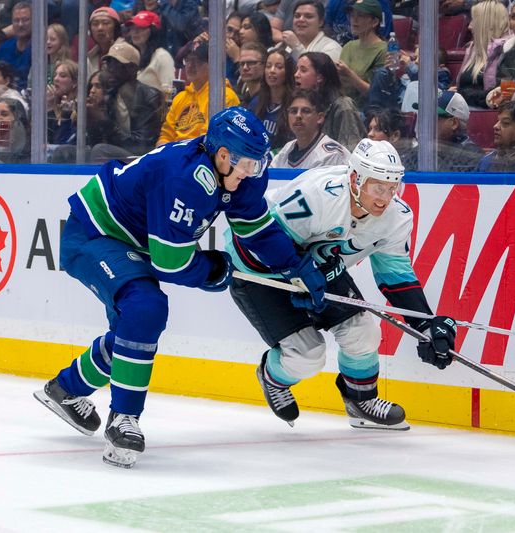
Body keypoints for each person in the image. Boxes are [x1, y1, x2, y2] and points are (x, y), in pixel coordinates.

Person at [34, 106, 327, 468]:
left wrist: (295, 267)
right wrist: (212, 269)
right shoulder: (186, 178)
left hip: (132, 241)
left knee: (133, 331)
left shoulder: (238, 176)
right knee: (145, 308)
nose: (254, 172)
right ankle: (123, 419)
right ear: (223, 155)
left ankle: (66, 388)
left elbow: (256, 230)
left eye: (258, 163)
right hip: (95, 233)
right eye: (248, 163)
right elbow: (171, 262)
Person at [227, 138, 457, 430]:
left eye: (391, 187)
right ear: (354, 179)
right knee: (307, 355)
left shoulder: (396, 218)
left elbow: (395, 276)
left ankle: (360, 401)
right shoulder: (316, 196)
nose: (385, 198)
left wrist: (425, 325)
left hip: (318, 269)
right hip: (258, 270)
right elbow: (261, 238)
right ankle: (271, 377)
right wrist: (298, 273)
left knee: (363, 332)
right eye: (377, 187)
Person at [88, 41, 162, 161]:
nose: (111, 68)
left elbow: (142, 146)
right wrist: (90, 122)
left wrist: (104, 122)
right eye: (109, 63)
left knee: (100, 151)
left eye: (118, 64)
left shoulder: (149, 96)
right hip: (116, 152)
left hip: (142, 159)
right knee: (68, 151)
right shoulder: (110, 95)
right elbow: (95, 142)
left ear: (132, 69)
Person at [157, 40, 240, 146]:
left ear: (212, 65)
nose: (190, 66)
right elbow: (166, 135)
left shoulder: (223, 96)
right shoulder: (180, 98)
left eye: (197, 61)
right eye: (187, 60)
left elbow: (209, 140)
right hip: (177, 156)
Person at [295, 51, 366, 152]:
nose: (296, 75)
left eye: (303, 70)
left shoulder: (343, 106)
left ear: (319, 77)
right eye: (296, 69)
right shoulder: (299, 106)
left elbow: (349, 153)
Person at [403, 90, 482, 172]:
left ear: (454, 123)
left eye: (432, 117)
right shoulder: (417, 152)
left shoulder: (471, 155)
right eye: (423, 116)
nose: (424, 123)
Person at [271, 89, 349, 168]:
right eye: (293, 111)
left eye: (306, 111)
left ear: (320, 118)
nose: (298, 116)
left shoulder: (331, 155)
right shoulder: (287, 148)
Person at [456, 0, 511, 109]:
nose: (469, 26)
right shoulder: (473, 48)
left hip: (488, 114)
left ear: (487, 23)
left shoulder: (509, 50)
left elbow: (504, 95)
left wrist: (462, 95)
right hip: (466, 109)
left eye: (474, 20)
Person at [336, 0, 386, 108]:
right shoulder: (349, 46)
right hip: (342, 106)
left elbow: (375, 94)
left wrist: (349, 74)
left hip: (365, 111)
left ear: (374, 22)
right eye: (352, 15)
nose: (354, 20)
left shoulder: (383, 50)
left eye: (360, 15)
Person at [252, 46, 295, 151]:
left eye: (279, 67)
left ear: (288, 71)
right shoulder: (256, 102)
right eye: (268, 66)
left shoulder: (294, 105)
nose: (272, 71)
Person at [125, 10, 175, 94]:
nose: (135, 32)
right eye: (133, 28)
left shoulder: (162, 56)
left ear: (153, 31)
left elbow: (169, 93)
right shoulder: (133, 56)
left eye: (141, 28)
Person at [0, 1, 31, 89]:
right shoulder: (4, 48)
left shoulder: (40, 48)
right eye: (16, 20)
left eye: (25, 20)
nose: (20, 24)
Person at [47, 59, 78, 146]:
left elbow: (57, 143)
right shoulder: (54, 104)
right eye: (55, 75)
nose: (56, 79)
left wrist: (49, 109)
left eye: (63, 76)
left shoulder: (78, 110)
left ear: (74, 82)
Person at [86, 6, 123, 77]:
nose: (100, 28)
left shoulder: (126, 52)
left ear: (116, 28)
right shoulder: (89, 58)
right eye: (95, 24)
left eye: (106, 23)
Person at [236, 42, 267, 107]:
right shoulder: (245, 101)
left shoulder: (269, 100)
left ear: (264, 65)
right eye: (242, 63)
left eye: (251, 63)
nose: (245, 68)